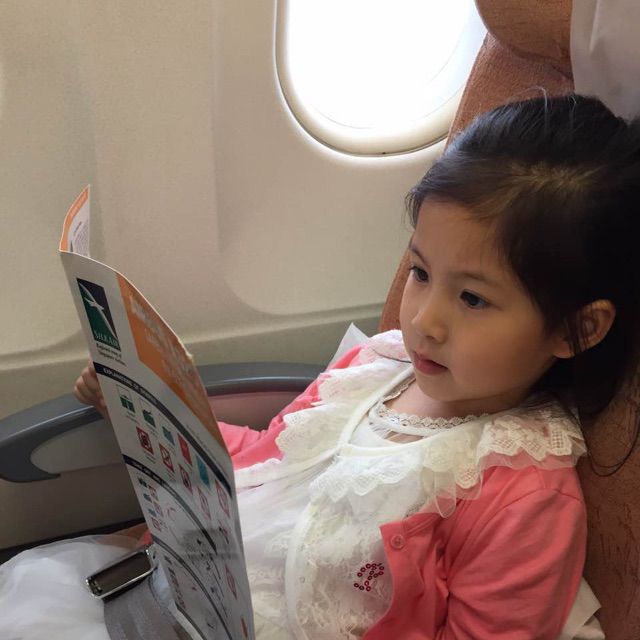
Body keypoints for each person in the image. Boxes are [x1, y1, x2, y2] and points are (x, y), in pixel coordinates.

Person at [4, 93, 640, 639]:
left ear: (576, 328)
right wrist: (153, 410)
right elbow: (269, 465)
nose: (424, 319)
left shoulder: (523, 497)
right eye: (421, 272)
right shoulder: (377, 369)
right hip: (190, 593)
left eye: (472, 298)